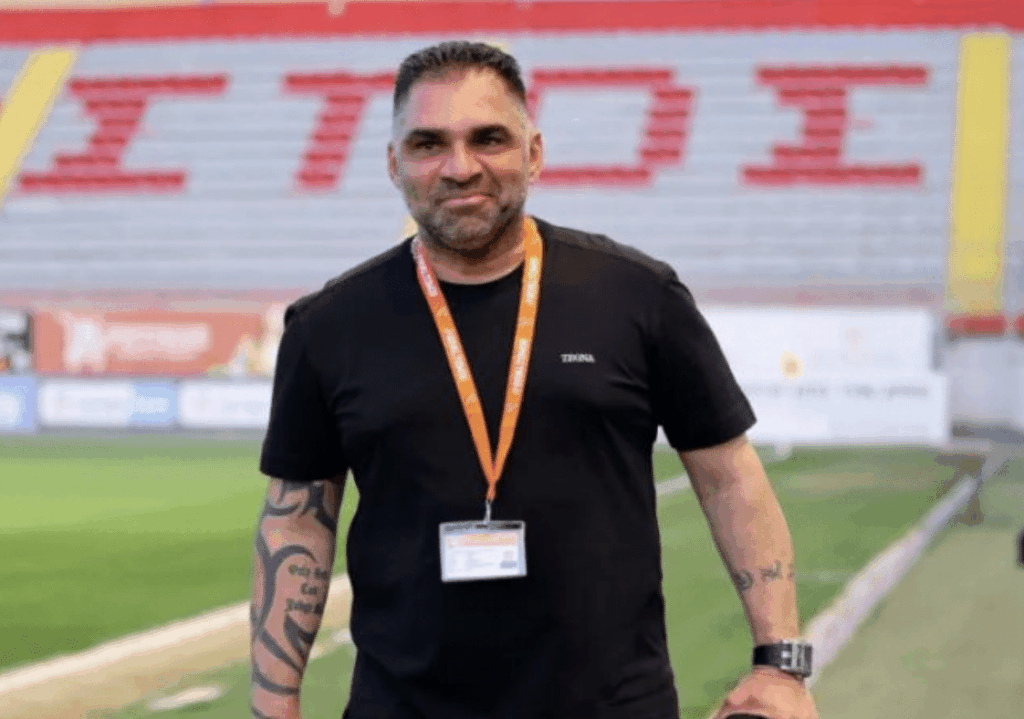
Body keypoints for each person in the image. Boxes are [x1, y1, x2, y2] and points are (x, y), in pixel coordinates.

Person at [250, 41, 820, 719]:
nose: (460, 167)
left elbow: (729, 477)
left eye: (488, 138)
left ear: (534, 153)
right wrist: (273, 705)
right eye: (429, 144)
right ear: (394, 163)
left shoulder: (638, 296)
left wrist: (781, 664)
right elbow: (297, 521)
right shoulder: (328, 326)